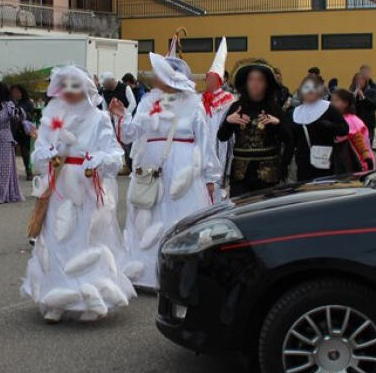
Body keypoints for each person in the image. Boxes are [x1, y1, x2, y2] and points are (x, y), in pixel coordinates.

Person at [21, 65, 137, 322]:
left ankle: (89, 296)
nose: (71, 93)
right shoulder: (52, 117)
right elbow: (38, 152)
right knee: (57, 238)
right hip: (59, 186)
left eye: (76, 87)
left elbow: (116, 155)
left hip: (86, 186)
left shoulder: (99, 118)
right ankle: (56, 296)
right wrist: (47, 153)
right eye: (66, 87)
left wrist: (99, 159)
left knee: (86, 239)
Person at [109, 51, 218, 291]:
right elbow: (131, 133)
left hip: (183, 167)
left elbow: (204, 141)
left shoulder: (194, 103)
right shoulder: (149, 101)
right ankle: (144, 273)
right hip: (150, 166)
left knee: (178, 216)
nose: (154, 77)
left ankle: (177, 275)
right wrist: (121, 116)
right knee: (147, 215)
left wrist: (210, 175)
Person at [219, 59, 288, 197]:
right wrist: (228, 121)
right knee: (240, 213)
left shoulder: (274, 109)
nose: (255, 84)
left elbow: (288, 138)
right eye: (251, 79)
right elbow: (222, 136)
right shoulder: (236, 107)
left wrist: (277, 124)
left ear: (267, 84)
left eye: (259, 80)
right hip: (240, 176)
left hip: (268, 175)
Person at [281, 73, 348, 183]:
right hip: (303, 163)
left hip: (325, 160)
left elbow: (344, 129)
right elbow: (290, 141)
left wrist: (330, 126)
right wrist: (284, 163)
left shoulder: (329, 108)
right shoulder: (294, 113)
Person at [201, 38, 235, 193]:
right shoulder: (199, 98)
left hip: (220, 140)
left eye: (212, 78)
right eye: (208, 77)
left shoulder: (228, 99)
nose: (209, 80)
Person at [330, 89, 375, 172]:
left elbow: (358, 139)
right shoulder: (340, 118)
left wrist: (366, 157)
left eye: (336, 100)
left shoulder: (349, 120)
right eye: (331, 100)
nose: (332, 103)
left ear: (346, 103)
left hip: (358, 161)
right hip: (350, 160)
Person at [9, 84, 37, 180]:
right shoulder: (10, 103)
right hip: (13, 130)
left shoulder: (27, 103)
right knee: (11, 152)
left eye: (17, 92)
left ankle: (29, 171)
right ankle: (11, 173)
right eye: (13, 92)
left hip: (24, 131)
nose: (15, 94)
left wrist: (22, 114)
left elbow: (31, 116)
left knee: (25, 152)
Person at [356, 65, 376, 148]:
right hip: (357, 123)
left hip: (368, 122)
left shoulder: (372, 90)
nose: (360, 81)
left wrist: (363, 98)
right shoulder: (353, 91)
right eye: (358, 80)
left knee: (367, 146)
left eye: (362, 79)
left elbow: (375, 104)